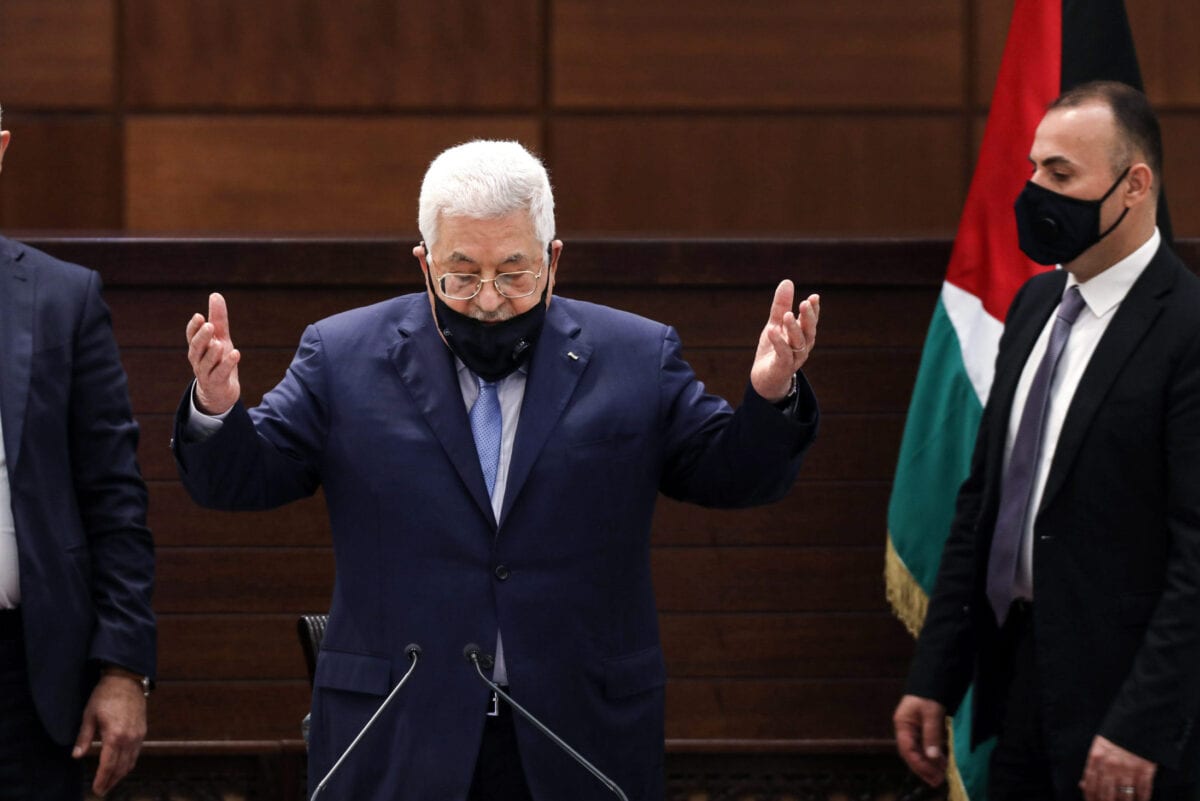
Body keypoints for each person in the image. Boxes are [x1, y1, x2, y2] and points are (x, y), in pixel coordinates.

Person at [175, 139, 820, 801]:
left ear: (553, 260)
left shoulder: (634, 356)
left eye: (515, 274)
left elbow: (733, 475)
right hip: (399, 731)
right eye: (463, 274)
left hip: (577, 737)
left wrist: (771, 399)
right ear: (425, 265)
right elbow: (240, 480)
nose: (489, 300)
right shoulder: (342, 357)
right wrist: (217, 410)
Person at [893, 81, 1200, 801]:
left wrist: (1141, 725)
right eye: (1034, 168)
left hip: (1131, 714)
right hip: (1020, 685)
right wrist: (934, 677)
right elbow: (984, 506)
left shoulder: (1188, 329)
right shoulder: (1034, 306)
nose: (1035, 190)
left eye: (1061, 174)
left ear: (1135, 185)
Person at [0, 106, 156, 800]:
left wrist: (123, 667)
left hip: (28, 677)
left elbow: (113, 494)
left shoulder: (63, 298)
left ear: (0, 149)